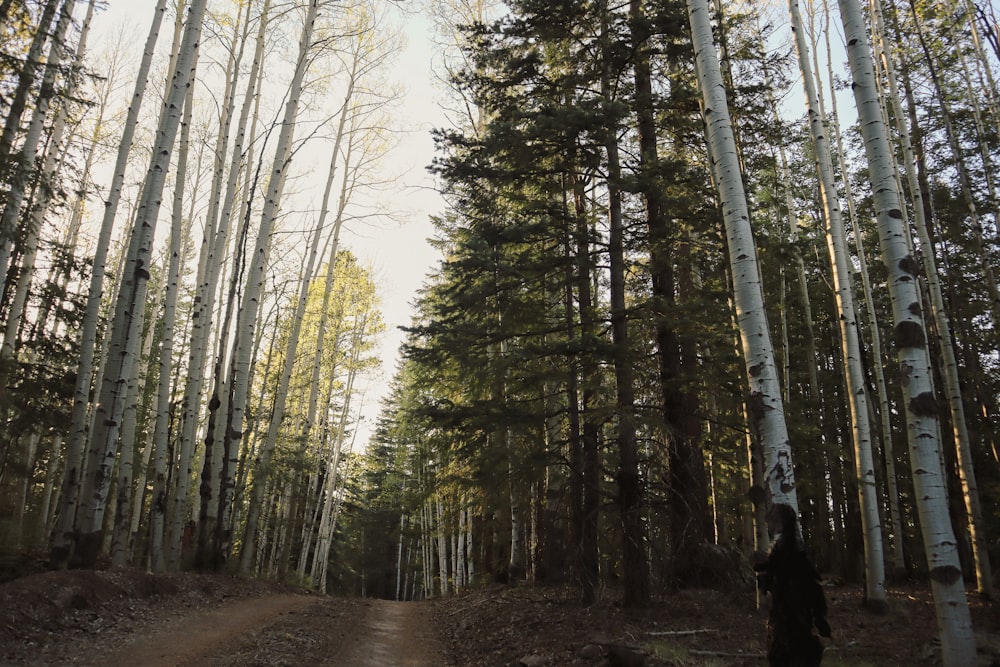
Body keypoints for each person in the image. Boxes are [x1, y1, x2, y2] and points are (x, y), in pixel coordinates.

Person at [754, 503, 831, 666]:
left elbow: (811, 585)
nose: (771, 526)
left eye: (774, 522)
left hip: (793, 611)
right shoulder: (786, 548)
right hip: (787, 611)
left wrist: (819, 617)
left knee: (791, 648)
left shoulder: (792, 550)